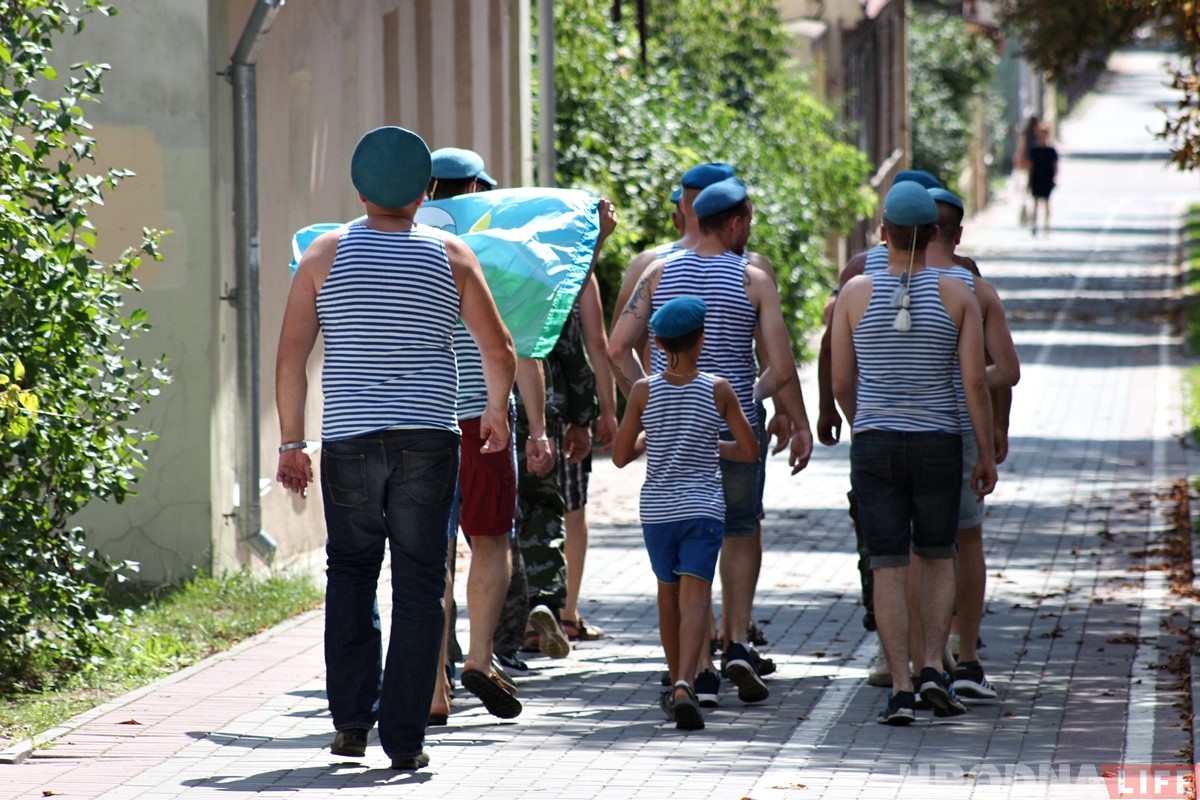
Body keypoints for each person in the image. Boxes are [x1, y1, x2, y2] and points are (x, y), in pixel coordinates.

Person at [274, 127, 517, 769]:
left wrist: (292, 442)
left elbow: (292, 357)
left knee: (350, 573)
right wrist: (495, 411)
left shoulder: (322, 255)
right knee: (418, 581)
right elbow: (499, 350)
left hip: (349, 441)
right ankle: (405, 741)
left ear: (358, 190)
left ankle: (352, 721)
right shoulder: (453, 255)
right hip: (427, 442)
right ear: (424, 191)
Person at [608, 176, 813, 707]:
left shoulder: (656, 272)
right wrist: (748, 393)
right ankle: (738, 640)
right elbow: (783, 367)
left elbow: (615, 348)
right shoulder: (753, 278)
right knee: (740, 528)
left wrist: (649, 399)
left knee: (681, 558)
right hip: (735, 426)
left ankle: (695, 668)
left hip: (675, 436)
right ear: (737, 222)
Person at [829, 181, 996, 725]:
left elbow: (840, 382)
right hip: (939, 444)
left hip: (876, 444)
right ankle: (931, 666)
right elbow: (974, 383)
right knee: (938, 555)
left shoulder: (854, 293)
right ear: (933, 237)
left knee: (888, 564)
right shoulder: (959, 294)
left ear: (884, 234)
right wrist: (985, 453)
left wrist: (865, 425)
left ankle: (898, 686)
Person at [421, 146, 555, 724]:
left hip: (422, 420)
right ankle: (479, 658)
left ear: (426, 189)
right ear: (478, 189)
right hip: (484, 420)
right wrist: (538, 429)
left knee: (428, 556)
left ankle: (432, 689)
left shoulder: (403, 245)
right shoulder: (497, 254)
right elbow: (523, 348)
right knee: (492, 540)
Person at [612, 296, 760, 731]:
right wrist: (712, 446)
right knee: (697, 595)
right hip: (703, 507)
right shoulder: (718, 388)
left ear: (656, 342)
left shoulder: (643, 391)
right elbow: (749, 451)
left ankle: (675, 676)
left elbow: (621, 455)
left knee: (667, 595)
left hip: (658, 511)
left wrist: (649, 441)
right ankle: (684, 683)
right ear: (701, 339)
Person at [918, 187, 1020, 700]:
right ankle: (967, 657)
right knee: (966, 540)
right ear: (955, 234)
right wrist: (993, 428)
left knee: (915, 547)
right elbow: (1006, 370)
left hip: (895, 435)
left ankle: (920, 661)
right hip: (957, 431)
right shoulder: (974, 288)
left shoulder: (877, 283)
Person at [1028, 123, 1058, 236]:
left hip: (1047, 178)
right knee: (1035, 203)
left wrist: (1055, 177)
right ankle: (1034, 225)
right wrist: (1029, 182)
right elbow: (1031, 167)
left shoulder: (1051, 151)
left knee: (1046, 202)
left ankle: (1047, 226)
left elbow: (1055, 166)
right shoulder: (1034, 150)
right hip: (1036, 178)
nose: (1042, 137)